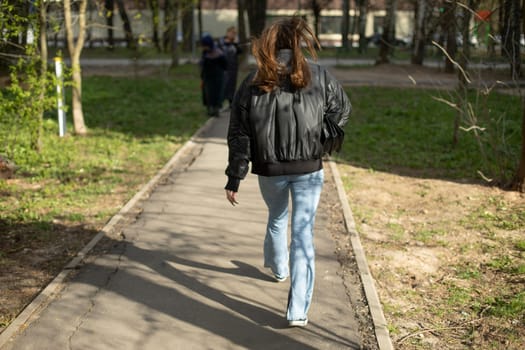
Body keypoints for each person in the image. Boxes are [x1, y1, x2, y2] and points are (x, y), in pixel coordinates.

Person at [224, 17, 351, 327]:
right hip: (309, 169)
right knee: (303, 233)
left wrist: (235, 176)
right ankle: (297, 310)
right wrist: (319, 139)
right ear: (297, 42)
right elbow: (342, 111)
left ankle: (279, 268)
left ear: (267, 44)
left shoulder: (253, 81)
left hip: (270, 170)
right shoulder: (319, 76)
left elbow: (238, 132)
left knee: (278, 218)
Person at [199, 34, 227, 117]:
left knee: (217, 94)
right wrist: (202, 77)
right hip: (207, 77)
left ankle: (216, 109)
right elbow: (203, 65)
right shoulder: (205, 53)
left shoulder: (219, 54)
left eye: (205, 46)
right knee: (208, 94)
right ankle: (210, 108)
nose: (204, 48)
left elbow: (225, 65)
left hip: (218, 77)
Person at [218, 26, 242, 110]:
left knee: (232, 85)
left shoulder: (234, 43)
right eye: (232, 33)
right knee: (224, 84)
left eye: (235, 33)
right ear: (227, 33)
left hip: (233, 67)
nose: (233, 35)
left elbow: (240, 51)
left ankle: (231, 101)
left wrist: (235, 43)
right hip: (223, 67)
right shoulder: (221, 41)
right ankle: (219, 102)